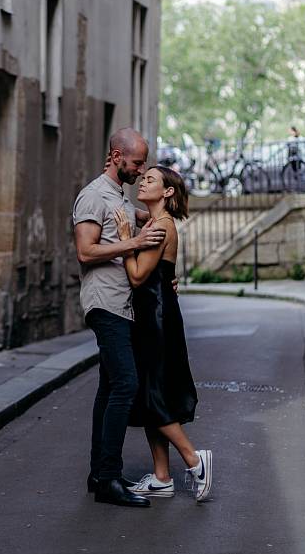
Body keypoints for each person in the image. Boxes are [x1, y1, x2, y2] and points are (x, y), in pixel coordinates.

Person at [73, 129, 167, 508]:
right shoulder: (94, 196)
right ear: (116, 156)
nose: (141, 169)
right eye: (137, 162)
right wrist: (135, 243)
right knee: (126, 384)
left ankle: (100, 474)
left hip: (121, 303)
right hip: (104, 303)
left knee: (110, 387)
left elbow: (149, 221)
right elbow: (85, 251)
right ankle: (109, 478)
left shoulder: (120, 198)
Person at [113, 167, 214, 502]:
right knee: (150, 393)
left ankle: (194, 459)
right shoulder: (154, 223)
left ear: (168, 192)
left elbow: (139, 276)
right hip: (153, 313)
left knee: (152, 394)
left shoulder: (161, 226)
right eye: (143, 178)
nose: (143, 181)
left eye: (151, 180)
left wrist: (128, 241)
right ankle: (161, 477)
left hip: (155, 318)